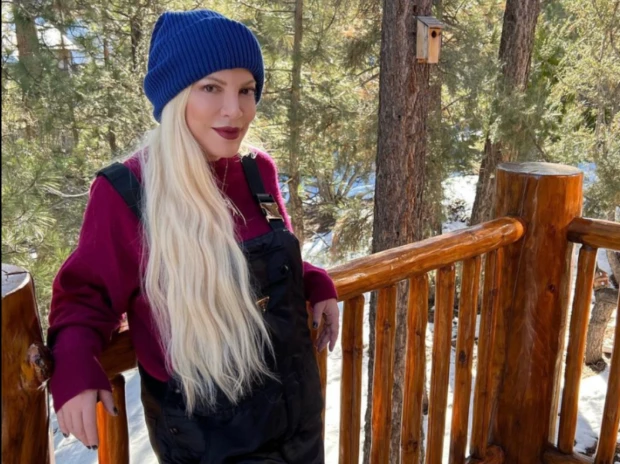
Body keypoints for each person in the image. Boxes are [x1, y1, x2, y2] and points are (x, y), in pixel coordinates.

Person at [47, 9, 339, 463]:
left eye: (246, 90)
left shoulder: (256, 171)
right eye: (211, 88)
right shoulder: (130, 191)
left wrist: (313, 280)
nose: (234, 109)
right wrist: (74, 367)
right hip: (208, 436)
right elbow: (85, 298)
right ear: (175, 96)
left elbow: (265, 257)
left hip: (297, 417)